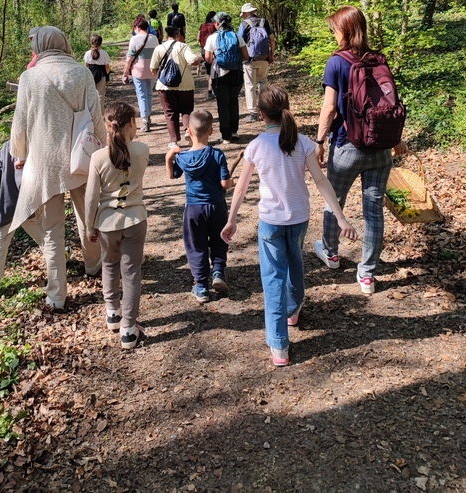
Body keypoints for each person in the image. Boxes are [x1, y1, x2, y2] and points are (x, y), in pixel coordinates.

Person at [222, 84, 357, 367]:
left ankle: (280, 346)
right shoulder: (305, 143)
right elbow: (321, 181)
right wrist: (341, 217)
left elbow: (241, 188)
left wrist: (232, 218)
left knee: (272, 280)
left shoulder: (257, 146)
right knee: (295, 263)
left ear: (261, 114)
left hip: (270, 222)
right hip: (298, 219)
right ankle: (293, 310)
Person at [10, 26, 106, 311]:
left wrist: (20, 153)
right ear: (63, 43)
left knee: (52, 230)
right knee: (87, 217)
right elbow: (96, 116)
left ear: (40, 45)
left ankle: (57, 295)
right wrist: (103, 150)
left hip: (45, 163)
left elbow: (20, 123)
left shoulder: (29, 78)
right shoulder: (81, 72)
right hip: (80, 157)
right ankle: (93, 265)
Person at [313, 5, 407, 295]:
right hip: (380, 149)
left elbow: (329, 108)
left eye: (335, 29)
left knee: (335, 201)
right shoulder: (378, 58)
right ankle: (366, 275)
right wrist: (396, 139)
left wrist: (319, 141)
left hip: (348, 146)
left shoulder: (337, 63)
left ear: (345, 30)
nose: (333, 34)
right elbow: (389, 102)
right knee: (374, 212)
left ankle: (331, 253)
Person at [86, 102, 149, 350]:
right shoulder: (142, 150)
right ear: (131, 123)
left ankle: (112, 312)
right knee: (131, 272)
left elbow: (91, 197)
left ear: (107, 125)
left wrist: (90, 227)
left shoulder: (97, 157)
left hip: (106, 223)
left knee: (109, 265)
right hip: (134, 219)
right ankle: (128, 329)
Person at [166, 109, 232, 304]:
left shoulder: (183, 157)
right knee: (220, 239)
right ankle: (218, 271)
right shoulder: (217, 155)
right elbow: (225, 184)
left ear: (189, 131)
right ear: (211, 131)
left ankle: (201, 285)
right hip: (216, 206)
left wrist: (168, 157)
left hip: (194, 209)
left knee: (196, 245)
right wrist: (231, 181)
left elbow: (172, 175)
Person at [0, 141, 44, 303]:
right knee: (45, 238)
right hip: (26, 205)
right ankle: (63, 258)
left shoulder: (9, 146)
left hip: (10, 205)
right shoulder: (36, 145)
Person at [150, 25, 201, 148]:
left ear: (167, 35)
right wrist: (200, 58)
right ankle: (188, 132)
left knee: (170, 112)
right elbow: (192, 61)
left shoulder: (159, 48)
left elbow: (153, 68)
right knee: (187, 109)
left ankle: (173, 140)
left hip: (165, 86)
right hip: (185, 84)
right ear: (178, 35)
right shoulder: (183, 46)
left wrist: (161, 79)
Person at [204, 12, 249, 143]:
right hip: (236, 74)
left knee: (222, 104)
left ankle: (225, 136)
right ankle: (234, 132)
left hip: (219, 75)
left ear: (217, 23)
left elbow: (207, 58)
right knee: (233, 101)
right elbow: (246, 56)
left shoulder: (212, 38)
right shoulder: (236, 36)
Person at [238, 3, 276, 123]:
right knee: (263, 83)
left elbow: (239, 42)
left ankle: (253, 113)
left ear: (245, 13)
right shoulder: (264, 22)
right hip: (264, 58)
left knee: (250, 86)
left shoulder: (244, 24)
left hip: (249, 60)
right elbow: (272, 39)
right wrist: (271, 54)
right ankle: (264, 109)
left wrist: (241, 58)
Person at [122, 16, 158, 133]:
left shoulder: (134, 39)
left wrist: (125, 73)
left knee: (141, 94)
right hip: (152, 70)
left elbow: (130, 58)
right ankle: (148, 116)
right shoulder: (154, 38)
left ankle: (145, 120)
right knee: (149, 94)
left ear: (137, 27)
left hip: (138, 70)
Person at [84, 34, 111, 107]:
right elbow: (107, 68)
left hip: (90, 75)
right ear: (101, 43)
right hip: (101, 76)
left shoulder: (87, 53)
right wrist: (107, 78)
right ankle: (100, 114)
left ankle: (91, 114)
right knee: (100, 95)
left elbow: (86, 67)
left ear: (91, 42)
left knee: (90, 95)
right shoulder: (104, 53)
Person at [198, 11, 217, 98]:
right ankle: (210, 90)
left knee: (209, 71)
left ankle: (210, 89)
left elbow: (198, 38)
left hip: (204, 50)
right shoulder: (215, 26)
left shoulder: (202, 25)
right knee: (213, 71)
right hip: (212, 51)